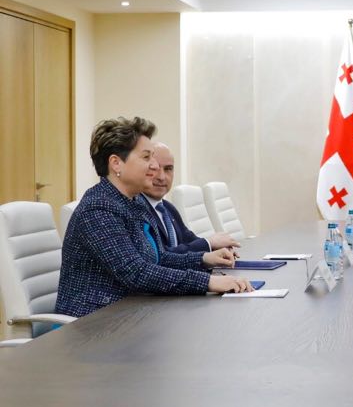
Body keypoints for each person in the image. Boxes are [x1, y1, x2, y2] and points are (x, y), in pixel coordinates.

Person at [56, 117, 253, 318]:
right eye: (146, 157)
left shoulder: (135, 202)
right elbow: (136, 272)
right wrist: (208, 282)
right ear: (116, 164)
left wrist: (203, 259)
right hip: (94, 322)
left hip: (133, 312)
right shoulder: (98, 209)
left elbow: (158, 258)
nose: (154, 165)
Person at [140, 142, 240, 254]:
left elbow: (190, 240)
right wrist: (208, 243)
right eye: (154, 169)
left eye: (168, 169)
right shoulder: (136, 210)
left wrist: (218, 248)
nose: (162, 177)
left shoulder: (168, 208)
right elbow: (160, 256)